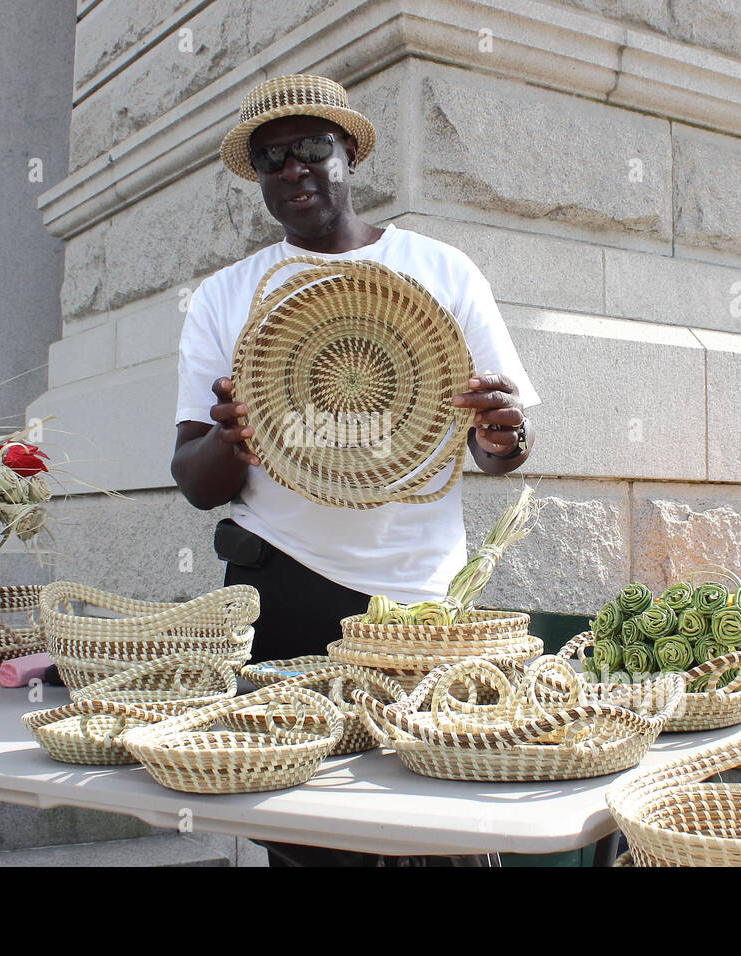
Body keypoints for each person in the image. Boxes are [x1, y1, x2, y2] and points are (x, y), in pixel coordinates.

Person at [170, 74, 540, 867]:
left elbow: (495, 445)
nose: (293, 169)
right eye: (272, 159)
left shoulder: (441, 271)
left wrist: (505, 438)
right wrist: (233, 435)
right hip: (286, 589)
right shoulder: (224, 298)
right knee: (313, 838)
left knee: (454, 833)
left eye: (311, 148)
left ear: (349, 153)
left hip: (422, 601)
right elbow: (197, 483)